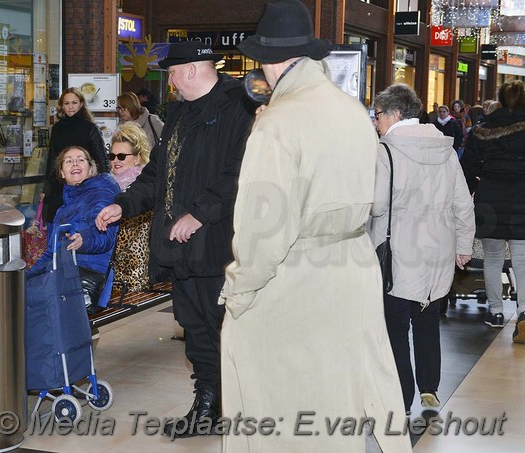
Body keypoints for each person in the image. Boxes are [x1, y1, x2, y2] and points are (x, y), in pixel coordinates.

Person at [218, 1, 411, 451]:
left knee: (282, 410)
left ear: (268, 61)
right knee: (344, 396)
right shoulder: (352, 111)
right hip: (352, 270)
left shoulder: (279, 123)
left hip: (294, 282)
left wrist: (239, 290)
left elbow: (262, 231)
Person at [96, 40, 254, 438]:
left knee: (221, 328)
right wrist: (124, 204)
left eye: (171, 72)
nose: (168, 80)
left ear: (191, 69)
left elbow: (239, 173)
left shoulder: (238, 106)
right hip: (179, 245)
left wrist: (200, 213)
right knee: (195, 327)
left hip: (217, 242)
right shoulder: (180, 112)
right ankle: (208, 407)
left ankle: (232, 405)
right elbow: (156, 174)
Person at [370, 84, 475, 415]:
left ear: (396, 114)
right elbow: (462, 202)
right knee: (428, 320)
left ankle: (400, 398)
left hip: (399, 252)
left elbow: (376, 205)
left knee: (396, 326)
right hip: (438, 250)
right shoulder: (444, 149)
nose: (376, 122)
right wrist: (463, 244)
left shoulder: (385, 151)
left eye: (379, 115)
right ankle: (429, 388)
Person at [462, 80, 525, 339]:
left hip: (490, 200)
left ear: (499, 98)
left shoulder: (482, 130)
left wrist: (463, 199)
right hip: (522, 197)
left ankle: (496, 311)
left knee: (493, 258)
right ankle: (524, 312)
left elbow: (468, 168)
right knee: (522, 261)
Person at [28, 146, 120, 310]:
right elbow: (51, 252)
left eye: (80, 160)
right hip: (67, 273)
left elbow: (105, 238)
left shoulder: (100, 194)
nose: (75, 164)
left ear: (91, 169)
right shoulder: (63, 208)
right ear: (62, 173)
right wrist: (27, 276)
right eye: (69, 161)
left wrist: (83, 240)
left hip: (88, 275)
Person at [41, 87, 109, 224]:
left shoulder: (90, 128)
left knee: (81, 227)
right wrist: (46, 189)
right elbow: (52, 159)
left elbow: (102, 160)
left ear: (81, 104)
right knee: (56, 227)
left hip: (85, 186)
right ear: (61, 106)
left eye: (74, 103)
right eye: (66, 103)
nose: (70, 107)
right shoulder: (57, 128)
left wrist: (102, 188)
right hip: (59, 187)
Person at [109, 123, 153, 291]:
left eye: (121, 156)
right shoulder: (111, 184)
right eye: (111, 156)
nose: (115, 161)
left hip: (131, 273)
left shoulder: (140, 188)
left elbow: (125, 235)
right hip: (117, 270)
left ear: (137, 157)